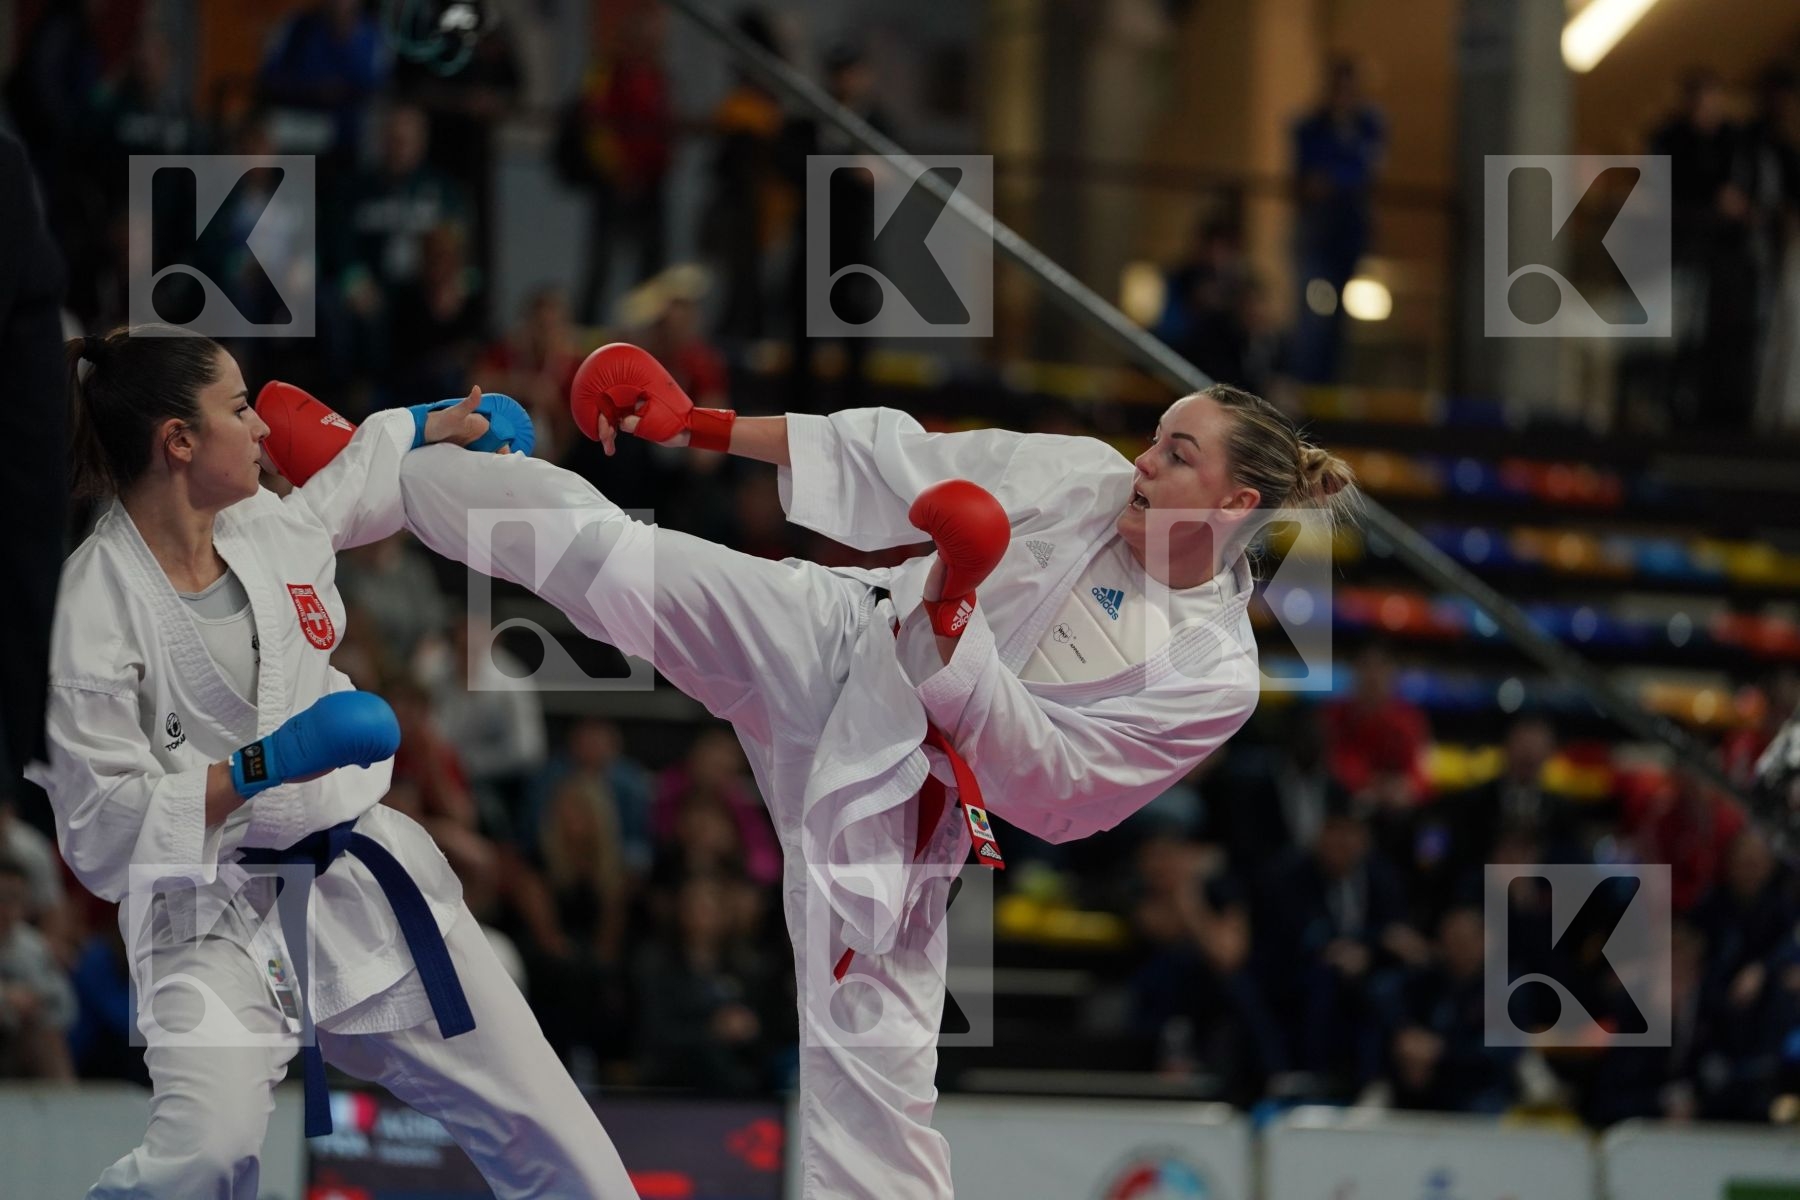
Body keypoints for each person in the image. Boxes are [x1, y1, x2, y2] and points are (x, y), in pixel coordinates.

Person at [318, 340, 1355, 1198]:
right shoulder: (1085, 478)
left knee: (875, 1085)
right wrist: (698, 426)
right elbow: (896, 459)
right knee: (614, 564)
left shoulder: (1214, 675)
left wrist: (956, 619)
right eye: (1154, 439)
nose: (1142, 463)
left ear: (1234, 503)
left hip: (907, 801)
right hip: (837, 639)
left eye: (1175, 454)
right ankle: (376, 468)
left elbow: (1061, 791)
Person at [26, 327, 636, 1199]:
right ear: (179, 441)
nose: (262, 427)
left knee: (561, 1143)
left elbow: (353, 483)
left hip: (357, 878)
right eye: (240, 408)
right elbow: (100, 832)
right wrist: (266, 764)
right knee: (203, 1155)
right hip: (206, 915)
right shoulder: (91, 610)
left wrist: (428, 424)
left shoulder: (269, 529)